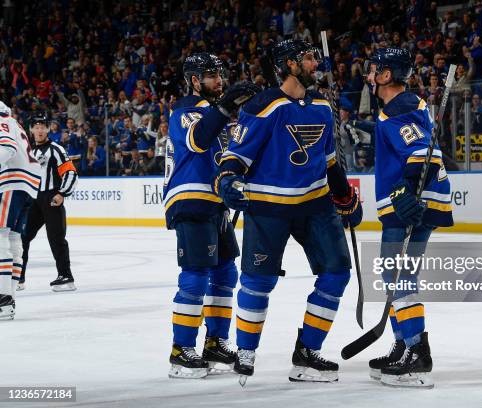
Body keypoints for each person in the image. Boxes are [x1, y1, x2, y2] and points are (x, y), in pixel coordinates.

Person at [215, 39, 362, 384]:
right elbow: (235, 156)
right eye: (309, 58)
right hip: (268, 207)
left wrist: (344, 197)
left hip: (315, 205)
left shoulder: (323, 108)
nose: (315, 64)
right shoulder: (264, 106)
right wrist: (227, 181)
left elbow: (330, 163)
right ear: (290, 64)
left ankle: (308, 353)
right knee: (259, 280)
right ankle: (247, 352)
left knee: (338, 272)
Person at [163, 53, 260, 379]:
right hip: (190, 198)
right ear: (193, 81)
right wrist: (224, 107)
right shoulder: (185, 112)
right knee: (196, 274)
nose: (219, 81)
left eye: (220, 74)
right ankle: (181, 350)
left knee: (224, 273)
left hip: (215, 201)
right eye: (210, 75)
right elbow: (199, 139)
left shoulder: (214, 113)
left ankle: (216, 342)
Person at [364, 48, 454, 388]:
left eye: (374, 71)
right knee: (394, 275)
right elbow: (412, 145)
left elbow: (422, 154)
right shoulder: (397, 109)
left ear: (387, 75)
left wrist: (402, 193)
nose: (370, 76)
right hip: (414, 200)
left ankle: (417, 353)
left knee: (399, 277)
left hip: (412, 204)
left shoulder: (400, 106)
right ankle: (404, 346)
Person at [19, 113, 78, 292]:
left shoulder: (56, 149)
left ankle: (66, 277)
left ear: (47, 129)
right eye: (36, 127)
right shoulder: (29, 151)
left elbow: (71, 173)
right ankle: (18, 276)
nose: (39, 130)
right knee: (22, 237)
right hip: (34, 200)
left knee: (56, 238)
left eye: (42, 127)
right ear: (31, 130)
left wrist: (61, 193)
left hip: (52, 198)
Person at [0, 101, 41, 320]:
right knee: (14, 239)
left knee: (0, 238)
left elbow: (7, 148)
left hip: (11, 181)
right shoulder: (14, 122)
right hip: (27, 184)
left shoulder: (1, 121)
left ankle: (4, 299)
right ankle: (10, 297)